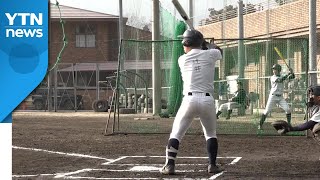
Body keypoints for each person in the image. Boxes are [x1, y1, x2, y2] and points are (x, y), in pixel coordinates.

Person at [160, 29, 223, 175]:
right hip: (207, 101)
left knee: (176, 134)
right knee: (211, 134)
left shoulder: (182, 59)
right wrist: (207, 44)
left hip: (189, 100)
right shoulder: (211, 54)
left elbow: (198, 52)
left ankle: (169, 166)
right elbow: (219, 51)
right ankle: (212, 165)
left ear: (186, 43)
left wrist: (202, 44)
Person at [258, 64, 295, 130]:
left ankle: (289, 124)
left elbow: (292, 77)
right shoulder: (272, 77)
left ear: (279, 70)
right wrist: (288, 73)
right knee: (266, 111)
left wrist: (292, 72)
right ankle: (260, 125)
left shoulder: (282, 76)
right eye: (273, 69)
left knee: (288, 109)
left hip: (280, 97)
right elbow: (280, 80)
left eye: (275, 69)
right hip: (273, 97)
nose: (274, 71)